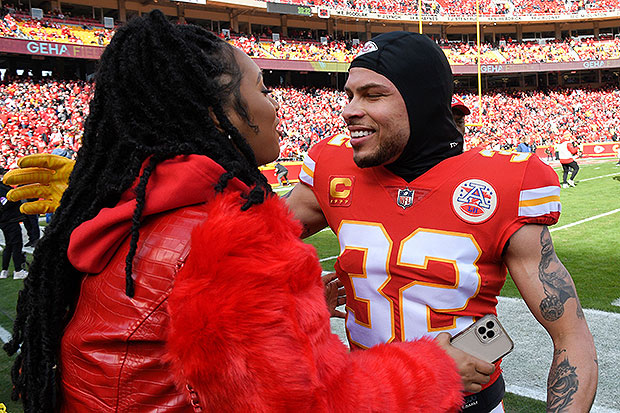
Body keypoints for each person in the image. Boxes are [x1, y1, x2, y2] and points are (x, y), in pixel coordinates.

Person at [2, 13, 464, 413]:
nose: (276, 106)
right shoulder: (228, 235)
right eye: (263, 89)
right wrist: (435, 367)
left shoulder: (127, 204)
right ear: (220, 114)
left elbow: (187, 343)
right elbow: (312, 406)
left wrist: (281, 325)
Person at [286, 32, 598, 412]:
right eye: (349, 95)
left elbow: (571, 335)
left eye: (372, 94)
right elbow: (234, 256)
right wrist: (292, 301)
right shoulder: (331, 167)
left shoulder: (504, 181)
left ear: (421, 103)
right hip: (368, 398)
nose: (349, 110)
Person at [0, 168, 28, 280]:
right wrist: (15, 197)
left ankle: (4, 270)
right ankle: (18, 270)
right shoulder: (2, 189)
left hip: (5, 220)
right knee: (16, 244)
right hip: (9, 220)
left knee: (9, 245)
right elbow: (7, 203)